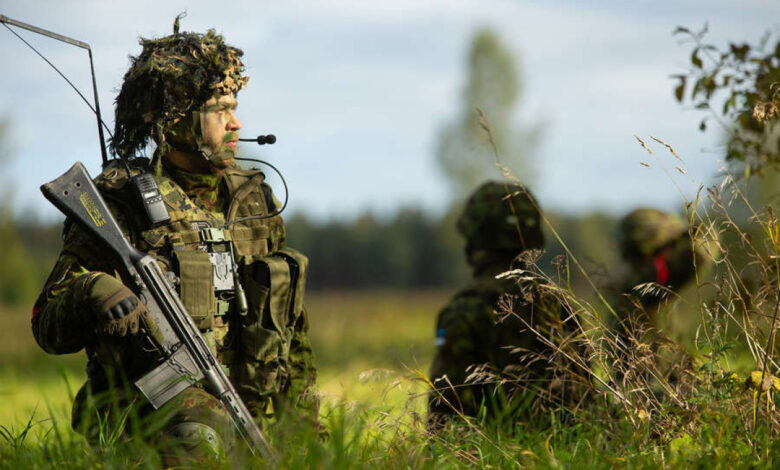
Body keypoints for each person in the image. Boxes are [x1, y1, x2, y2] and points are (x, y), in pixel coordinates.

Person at [32, 21, 318, 464]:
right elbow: (47, 325)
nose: (236, 122)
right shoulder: (120, 203)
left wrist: (305, 426)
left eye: (234, 105)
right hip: (148, 414)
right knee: (200, 438)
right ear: (175, 117)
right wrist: (95, 290)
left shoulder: (254, 200)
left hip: (245, 412)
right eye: (218, 109)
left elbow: (291, 334)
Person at [428, 181, 578, 430]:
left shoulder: (466, 310)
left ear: (476, 237)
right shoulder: (558, 303)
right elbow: (584, 396)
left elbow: (444, 412)